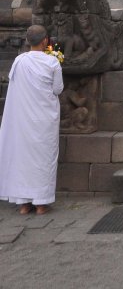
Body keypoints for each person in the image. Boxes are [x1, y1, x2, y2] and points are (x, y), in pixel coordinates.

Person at [0, 26, 64, 214]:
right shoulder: (52, 63)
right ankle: (41, 204)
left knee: (23, 158)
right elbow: (58, 89)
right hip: (43, 119)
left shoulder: (19, 61)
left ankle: (23, 204)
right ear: (45, 41)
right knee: (43, 158)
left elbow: (15, 87)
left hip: (23, 120)